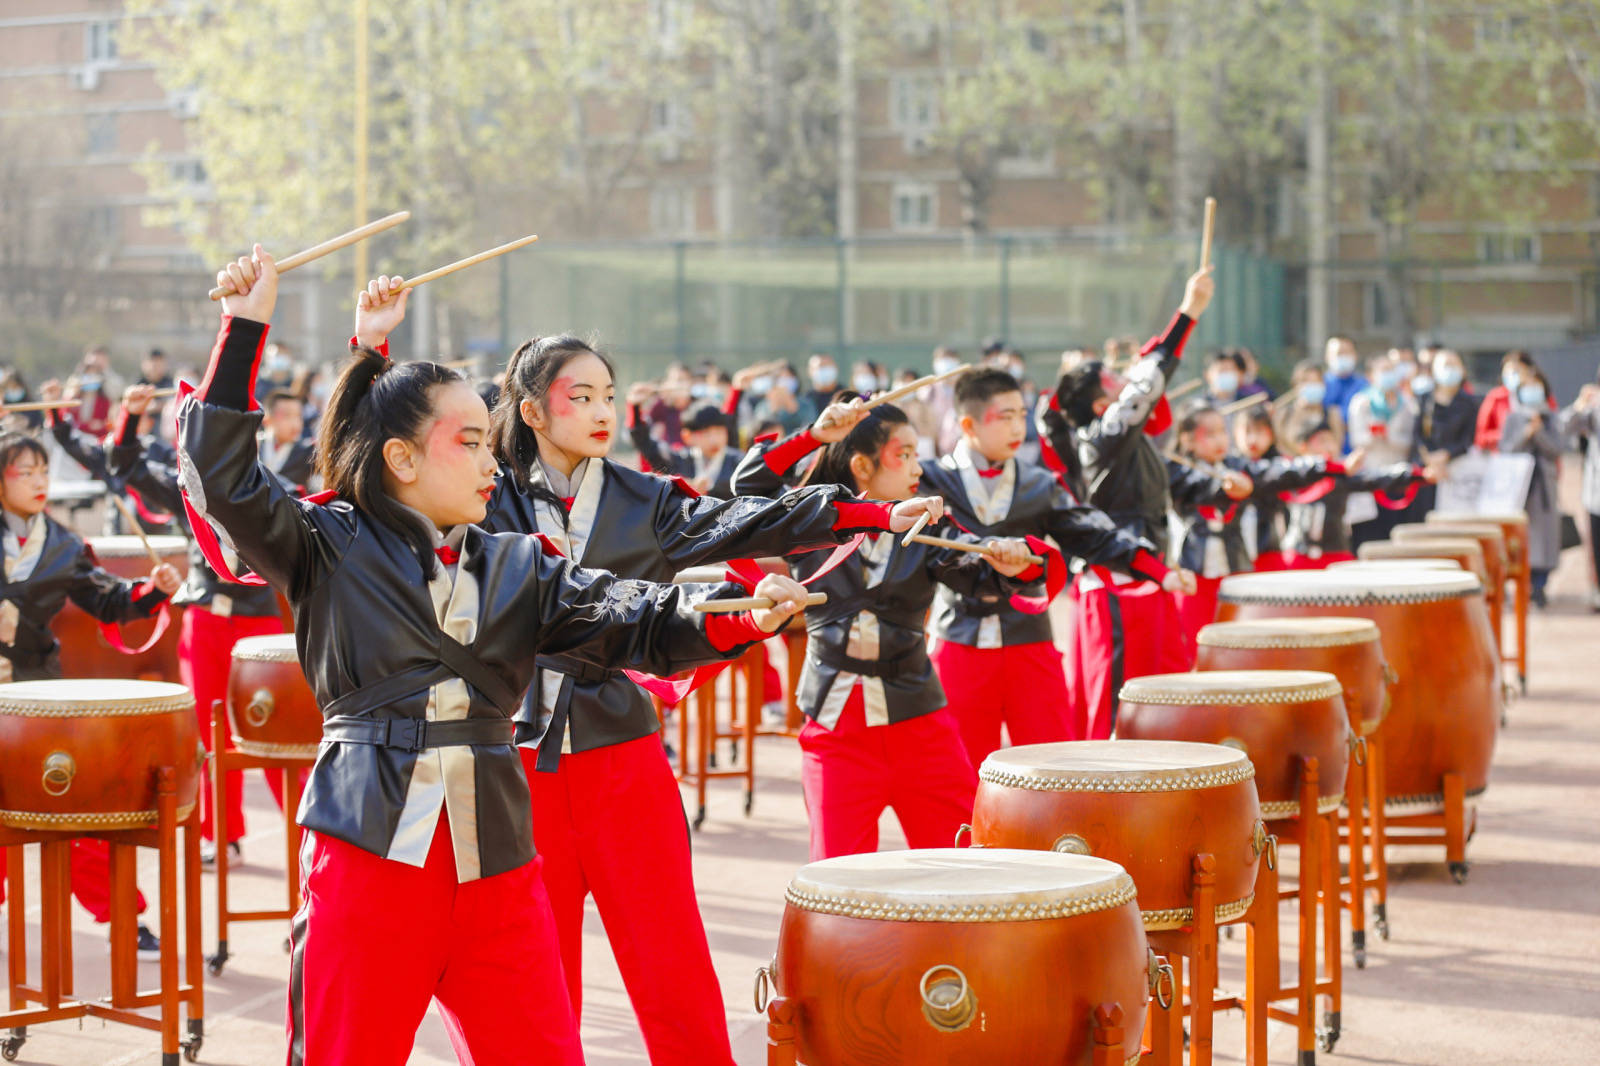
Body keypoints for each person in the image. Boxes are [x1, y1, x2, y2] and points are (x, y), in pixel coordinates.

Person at [183, 247, 813, 1066]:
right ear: (401, 459)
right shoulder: (325, 544)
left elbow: (634, 617)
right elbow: (224, 481)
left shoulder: (519, 562)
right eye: (470, 442)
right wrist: (246, 328)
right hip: (369, 858)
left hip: (500, 867)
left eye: (490, 442)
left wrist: (739, 617)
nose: (492, 461)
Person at [470, 334, 939, 1064]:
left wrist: (871, 516)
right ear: (531, 410)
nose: (603, 412)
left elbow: (740, 520)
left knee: (670, 962)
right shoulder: (481, 495)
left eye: (609, 395)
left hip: (622, 753)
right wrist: (368, 346)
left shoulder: (641, 496)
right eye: (581, 397)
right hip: (516, 760)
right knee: (535, 975)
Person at [735, 402, 1039, 860]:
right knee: (838, 886)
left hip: (920, 723)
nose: (919, 468)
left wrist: (1010, 561)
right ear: (862, 466)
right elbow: (749, 485)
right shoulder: (808, 521)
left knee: (964, 865)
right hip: (836, 732)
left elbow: (978, 571)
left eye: (919, 455)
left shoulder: (928, 524)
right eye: (906, 455)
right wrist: (813, 436)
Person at [917, 366, 1181, 766]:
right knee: (959, 771)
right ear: (968, 423)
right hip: (958, 640)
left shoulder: (1039, 483)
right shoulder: (929, 482)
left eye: (1020, 415)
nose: (1016, 426)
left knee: (1055, 764)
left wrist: (1157, 568)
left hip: (1029, 640)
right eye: (1003, 416)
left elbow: (1092, 531)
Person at [0, 427, 180, 960]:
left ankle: (125, 914)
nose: (38, 482)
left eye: (42, 471)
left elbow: (108, 600)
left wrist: (153, 590)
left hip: (36, 695)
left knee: (77, 807)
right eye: (23, 472)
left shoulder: (62, 544)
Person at [107, 385, 293, 864]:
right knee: (210, 735)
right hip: (206, 620)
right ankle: (223, 834)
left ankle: (305, 833)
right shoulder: (187, 487)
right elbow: (124, 464)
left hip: (258, 625)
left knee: (276, 733)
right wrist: (130, 417)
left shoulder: (274, 486)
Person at [1038, 269, 1215, 739]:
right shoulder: (1102, 438)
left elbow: (1144, 388)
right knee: (1115, 701)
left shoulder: (1116, 439)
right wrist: (1188, 314)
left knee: (1162, 690)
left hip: (1144, 573)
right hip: (1117, 579)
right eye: (1112, 378)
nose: (1125, 379)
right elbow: (1146, 384)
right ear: (1100, 405)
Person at [1166, 406, 1322, 661]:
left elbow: (1270, 474)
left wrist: (1318, 465)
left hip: (1234, 569)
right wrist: (1226, 487)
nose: (1220, 440)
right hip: (1193, 576)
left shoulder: (1237, 466)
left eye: (1222, 432)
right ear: (1188, 439)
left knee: (1239, 647)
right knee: (1195, 647)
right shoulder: (1178, 471)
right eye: (1210, 433)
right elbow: (1201, 486)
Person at [1279, 422, 1433, 567]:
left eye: (1331, 441)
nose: (1329, 447)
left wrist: (1417, 475)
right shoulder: (1291, 474)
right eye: (1322, 441)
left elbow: (1376, 477)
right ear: (1303, 446)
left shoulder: (1342, 476)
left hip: (1335, 552)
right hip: (1298, 554)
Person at [1499, 359, 1563, 608]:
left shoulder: (1550, 418)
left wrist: (1539, 433)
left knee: (1545, 538)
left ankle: (1539, 585)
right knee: (1519, 537)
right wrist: (1525, 433)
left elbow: (1557, 449)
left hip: (1544, 486)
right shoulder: (1514, 418)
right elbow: (1506, 448)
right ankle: (1519, 583)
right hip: (1519, 487)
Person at [1346, 351, 1419, 546]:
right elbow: (1356, 440)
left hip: (1398, 475)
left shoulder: (1407, 404)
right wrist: (1374, 434)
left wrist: (1389, 436)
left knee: (1396, 530)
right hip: (1369, 476)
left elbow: (1411, 441)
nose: (1389, 375)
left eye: (1391, 371)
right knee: (1370, 534)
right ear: (1371, 376)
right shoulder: (1361, 402)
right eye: (1384, 371)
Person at [626, 395, 741, 498]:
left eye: (719, 432)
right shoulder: (680, 459)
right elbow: (647, 445)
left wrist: (709, 489)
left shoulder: (739, 462)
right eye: (706, 433)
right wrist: (635, 409)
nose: (714, 439)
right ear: (687, 436)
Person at [1414, 348, 1480, 512]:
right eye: (1445, 365)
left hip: (1457, 472)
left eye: (1453, 365)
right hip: (1426, 473)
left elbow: (1468, 439)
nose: (1449, 370)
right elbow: (1417, 435)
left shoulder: (1470, 403)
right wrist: (1430, 459)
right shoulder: (1423, 399)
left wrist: (1446, 455)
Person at [1558, 378, 1600, 611]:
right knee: (1596, 546)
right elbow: (1563, 426)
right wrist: (1580, 404)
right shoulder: (1594, 407)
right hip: (1596, 492)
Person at [1276, 360, 1343, 456]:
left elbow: (1336, 448)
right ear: (1296, 385)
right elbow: (1281, 447)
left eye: (1316, 381)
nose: (1312, 386)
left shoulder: (1332, 414)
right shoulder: (1284, 415)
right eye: (1306, 381)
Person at [258, 390, 314, 492]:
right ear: (267, 419)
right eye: (287, 416)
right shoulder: (253, 446)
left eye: (298, 416)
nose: (295, 423)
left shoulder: (308, 452)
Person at [1322, 336, 1368, 448]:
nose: (1343, 357)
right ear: (1327, 357)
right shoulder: (1320, 385)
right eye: (1339, 353)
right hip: (1327, 449)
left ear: (1355, 356)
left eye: (1347, 352)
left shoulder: (1365, 385)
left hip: (1359, 449)